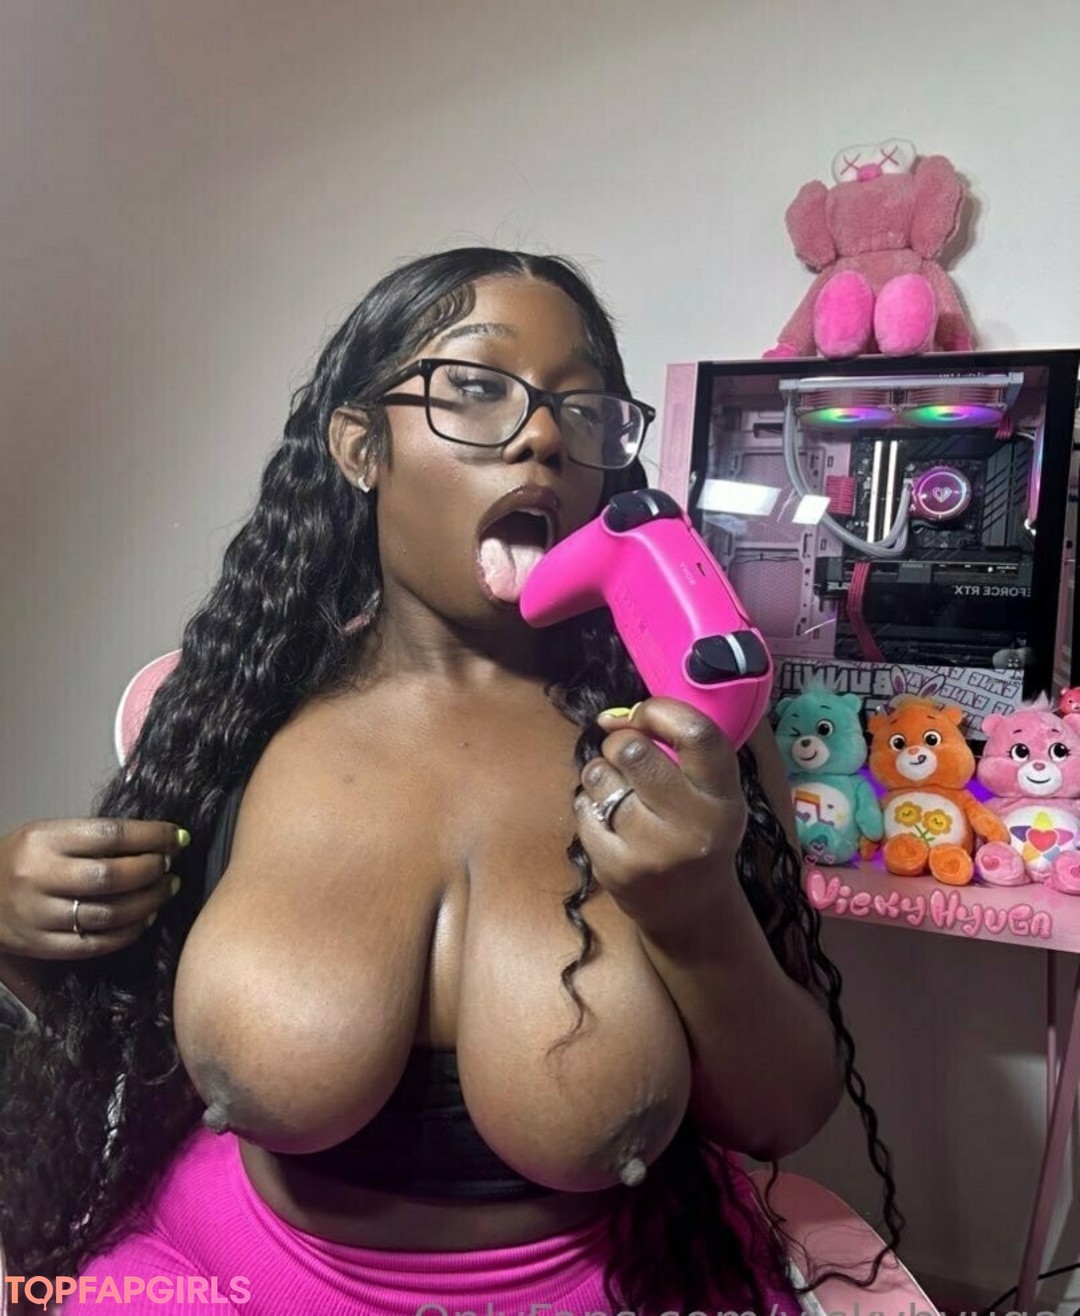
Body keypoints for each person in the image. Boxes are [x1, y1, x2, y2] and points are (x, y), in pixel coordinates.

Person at [0, 248, 901, 1314]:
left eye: (582, 409)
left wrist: (697, 908)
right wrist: (18, 928)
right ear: (359, 446)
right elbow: (115, 1029)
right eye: (475, 386)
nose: (540, 436)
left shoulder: (684, 744)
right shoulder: (231, 717)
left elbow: (782, 1113)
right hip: (222, 1274)